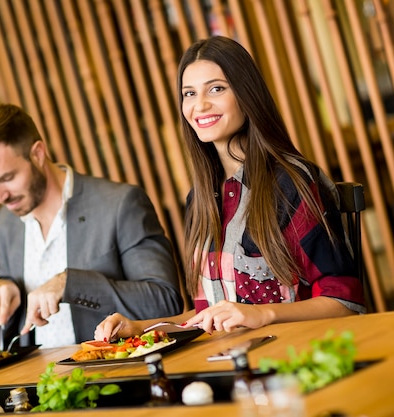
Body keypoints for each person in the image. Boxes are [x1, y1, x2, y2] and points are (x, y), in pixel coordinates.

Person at [94, 36, 366, 341]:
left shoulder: (290, 183)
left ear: (246, 93)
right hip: (229, 362)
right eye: (189, 93)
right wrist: (140, 327)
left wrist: (263, 314)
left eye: (216, 88)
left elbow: (344, 302)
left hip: (298, 360)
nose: (200, 105)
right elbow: (209, 315)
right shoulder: (199, 199)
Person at [0, 103, 184, 348]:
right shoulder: (6, 221)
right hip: (35, 382)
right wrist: (0, 290)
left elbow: (165, 300)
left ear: (37, 154)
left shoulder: (120, 204)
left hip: (112, 377)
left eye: (7, 178)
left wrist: (70, 284)